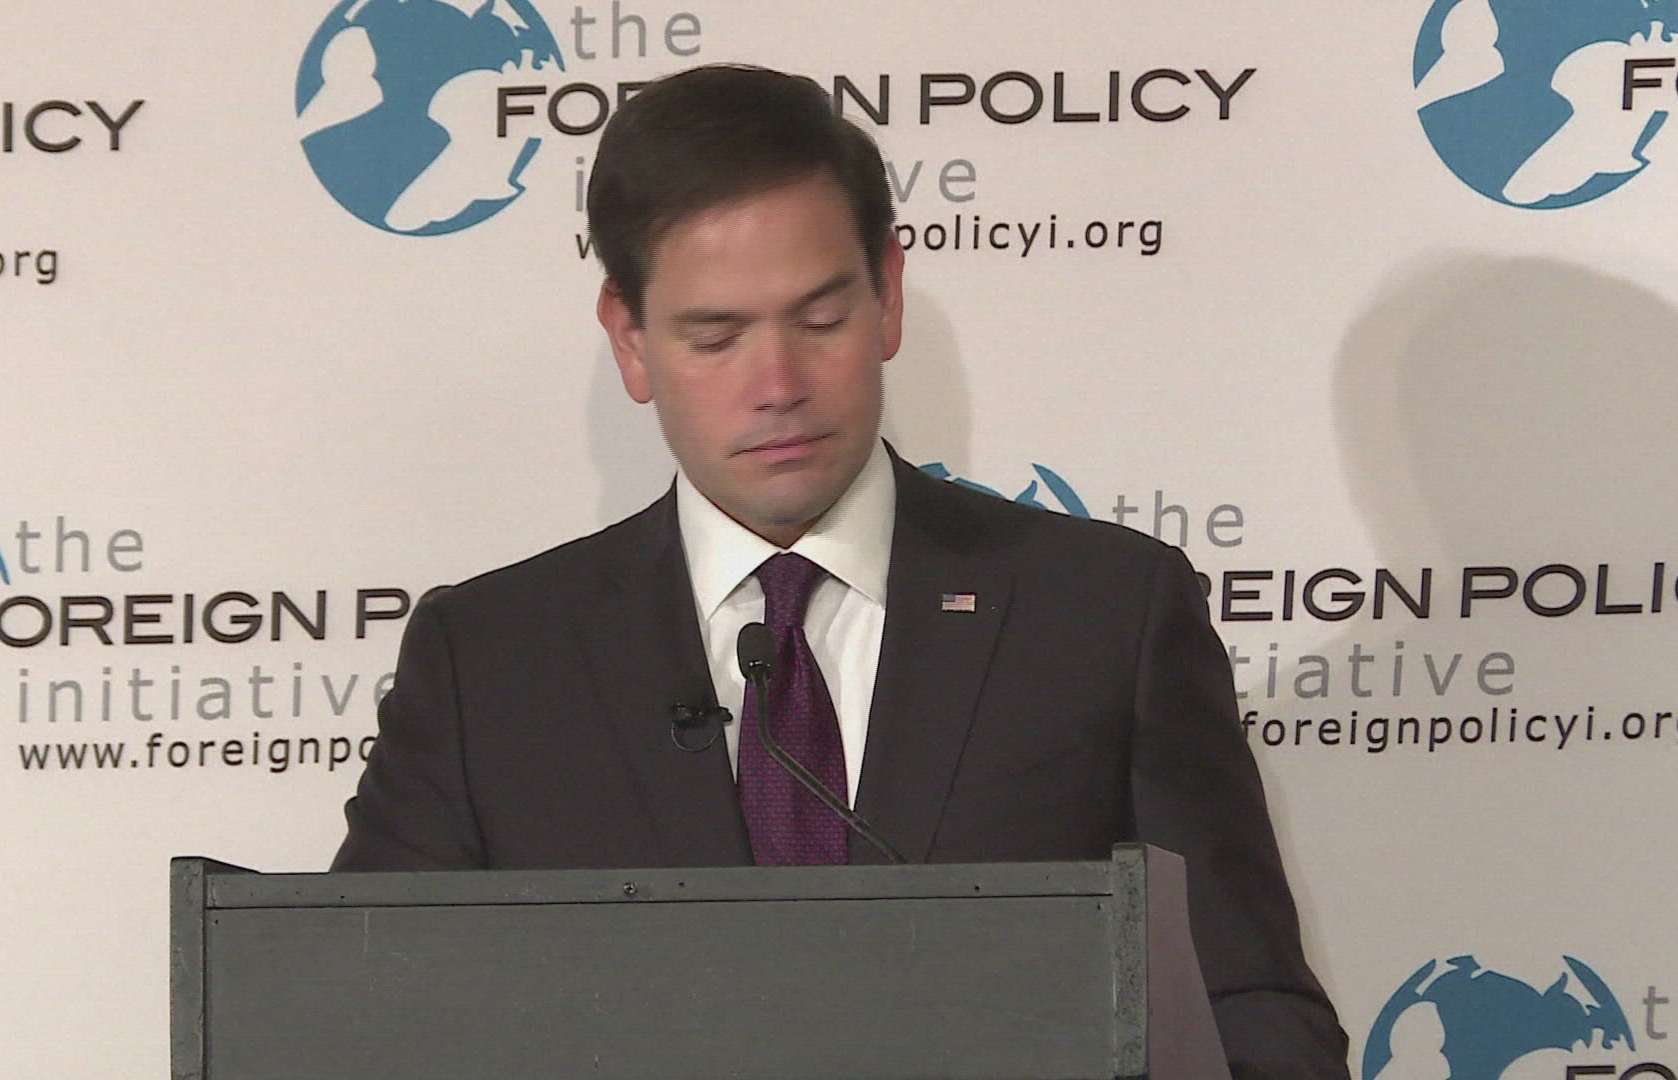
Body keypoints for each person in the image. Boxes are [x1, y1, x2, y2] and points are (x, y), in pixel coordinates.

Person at [333, 63, 1348, 1077]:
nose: (778, 384)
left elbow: (1252, 1014)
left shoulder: (1103, 616)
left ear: (888, 296)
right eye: (715, 337)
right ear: (629, 339)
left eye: (821, 320)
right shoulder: (490, 665)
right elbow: (347, 1024)